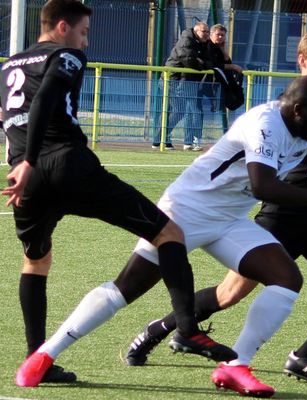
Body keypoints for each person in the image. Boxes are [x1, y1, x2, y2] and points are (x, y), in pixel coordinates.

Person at [34, 75, 307, 397]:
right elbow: (263, 186)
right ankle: (44, 356)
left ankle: (236, 367)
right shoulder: (263, 124)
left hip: (229, 219)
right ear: (297, 110)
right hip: (185, 212)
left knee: (285, 278)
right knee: (128, 287)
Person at [125, 29, 307, 393]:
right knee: (229, 294)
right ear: (303, 61)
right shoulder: (289, 105)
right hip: (283, 214)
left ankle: (305, 355)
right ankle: (160, 329)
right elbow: (276, 158)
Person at [1, 0, 234, 388]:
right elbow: (45, 99)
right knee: (168, 233)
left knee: (35, 262)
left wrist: (21, 159)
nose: (85, 40)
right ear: (62, 27)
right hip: (67, 165)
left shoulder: (8, 66)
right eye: (83, 32)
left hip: (26, 180)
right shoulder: (67, 55)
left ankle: (36, 358)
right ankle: (188, 329)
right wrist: (30, 157)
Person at [152, 21, 218, 151]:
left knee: (177, 111)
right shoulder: (187, 40)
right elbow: (188, 59)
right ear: (196, 30)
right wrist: (202, 65)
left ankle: (161, 139)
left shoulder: (204, 44)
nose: (206, 34)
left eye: (207, 32)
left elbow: (209, 60)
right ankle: (159, 139)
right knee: (177, 110)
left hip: (182, 80)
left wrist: (202, 62)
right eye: (203, 31)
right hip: (171, 79)